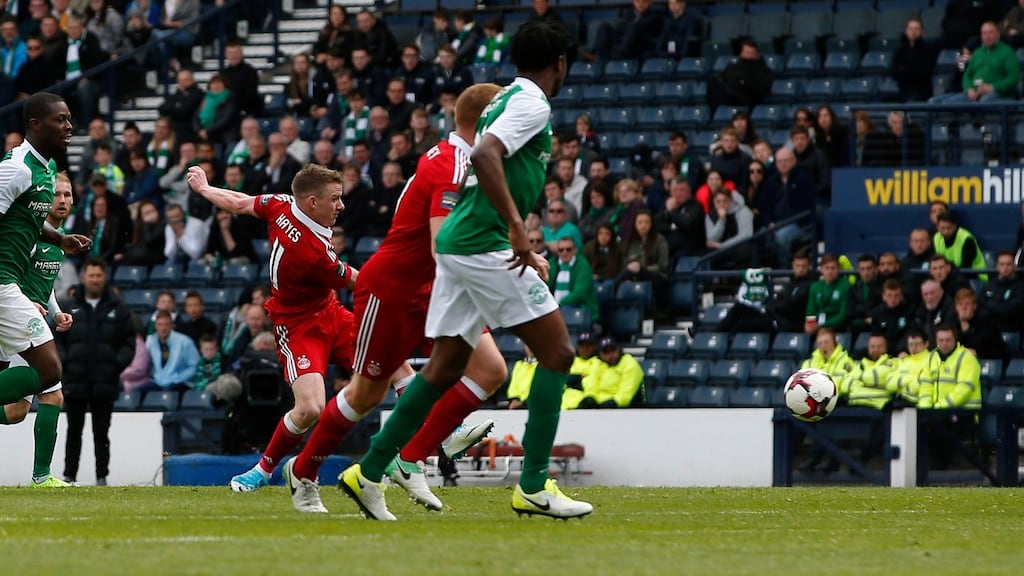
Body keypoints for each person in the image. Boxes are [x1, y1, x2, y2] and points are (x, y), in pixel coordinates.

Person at [339, 20, 593, 521]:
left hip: (458, 242)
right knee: (559, 352)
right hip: (483, 243)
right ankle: (535, 486)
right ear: (560, 63)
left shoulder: (501, 99)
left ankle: (367, 471)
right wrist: (519, 227)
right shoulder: (531, 103)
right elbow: (484, 152)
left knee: (445, 367)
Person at [285, 84, 510, 513]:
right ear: (486, 120)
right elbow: (441, 243)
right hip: (393, 289)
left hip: (436, 287)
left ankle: (407, 459)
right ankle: (304, 470)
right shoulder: (453, 162)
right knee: (366, 395)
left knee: (490, 369)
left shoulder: (470, 160)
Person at [186, 163, 366, 507]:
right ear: (312, 202)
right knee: (311, 407)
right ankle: (265, 469)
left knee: (387, 356)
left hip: (330, 311)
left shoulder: (282, 204)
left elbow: (240, 203)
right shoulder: (312, 251)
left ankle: (440, 435)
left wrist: (206, 189)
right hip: (298, 324)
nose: (342, 205)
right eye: (335, 199)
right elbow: (358, 280)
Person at [0, 93, 91, 414]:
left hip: (8, 283)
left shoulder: (48, 168)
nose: (69, 126)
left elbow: (26, 219)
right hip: (2, 284)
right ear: (35, 125)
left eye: (69, 119)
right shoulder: (16, 169)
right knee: (48, 371)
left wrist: (60, 239)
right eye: (60, 120)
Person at [0, 172, 74, 487]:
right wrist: (27, 302)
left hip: (25, 318)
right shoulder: (29, 233)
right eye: (57, 194)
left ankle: (41, 476)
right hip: (16, 319)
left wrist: (56, 312)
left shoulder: (58, 238)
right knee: (53, 391)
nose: (62, 200)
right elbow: (10, 270)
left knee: (16, 411)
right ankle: (41, 477)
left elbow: (47, 284)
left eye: (68, 195)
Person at [57, 257, 136, 486]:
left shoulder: (119, 309)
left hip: (105, 381)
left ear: (104, 277)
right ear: (83, 277)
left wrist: (115, 364)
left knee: (101, 434)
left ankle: (102, 477)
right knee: (74, 432)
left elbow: (129, 342)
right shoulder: (68, 304)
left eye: (98, 275)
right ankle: (69, 476)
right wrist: (66, 362)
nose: (94, 279)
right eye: (91, 275)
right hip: (75, 380)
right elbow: (57, 337)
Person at [934, 21, 1019, 102]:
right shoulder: (977, 53)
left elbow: (1013, 78)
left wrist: (992, 87)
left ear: (998, 34)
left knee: (985, 101)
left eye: (990, 32)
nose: (987, 36)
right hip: (974, 93)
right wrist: (969, 89)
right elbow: (967, 76)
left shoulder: (1008, 52)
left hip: (998, 93)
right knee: (938, 102)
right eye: (984, 33)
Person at [916, 323, 982, 410]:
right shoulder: (931, 357)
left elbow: (964, 389)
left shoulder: (967, 358)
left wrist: (939, 408)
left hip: (964, 414)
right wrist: (925, 409)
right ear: (936, 340)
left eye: (948, 340)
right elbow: (926, 386)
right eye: (941, 340)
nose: (944, 343)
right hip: (937, 414)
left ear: (955, 339)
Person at [570, 337, 643, 409]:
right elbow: (592, 386)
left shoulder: (630, 364)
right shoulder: (599, 363)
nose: (611, 355)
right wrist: (590, 397)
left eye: (613, 350)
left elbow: (625, 396)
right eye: (606, 352)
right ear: (601, 354)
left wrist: (613, 403)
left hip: (621, 408)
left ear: (619, 349)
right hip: (598, 406)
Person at [707, 39, 773, 113]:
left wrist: (741, 82)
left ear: (757, 55)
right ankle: (716, 113)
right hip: (729, 95)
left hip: (748, 97)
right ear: (741, 53)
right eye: (746, 52)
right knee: (714, 82)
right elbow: (724, 77)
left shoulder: (763, 70)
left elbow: (761, 88)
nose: (748, 55)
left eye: (751, 53)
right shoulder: (732, 66)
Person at [548, 237, 598, 325]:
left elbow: (579, 293)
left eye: (568, 249)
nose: (564, 253)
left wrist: (559, 306)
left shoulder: (582, 265)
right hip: (555, 309)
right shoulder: (552, 263)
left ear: (575, 250)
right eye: (561, 250)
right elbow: (546, 285)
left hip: (579, 307)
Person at [953, 288, 1009, 361]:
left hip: (990, 358)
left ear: (974, 306)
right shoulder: (952, 321)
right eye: (960, 304)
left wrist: (966, 328)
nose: (963, 307)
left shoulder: (985, 320)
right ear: (956, 307)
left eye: (967, 304)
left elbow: (980, 345)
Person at [846, 333, 898, 410]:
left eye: (880, 346)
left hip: (879, 408)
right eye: (872, 346)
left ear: (886, 348)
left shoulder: (894, 363)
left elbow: (885, 379)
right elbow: (847, 384)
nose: (875, 349)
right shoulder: (860, 364)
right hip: (855, 405)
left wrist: (861, 379)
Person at [892, 18, 938, 102]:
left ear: (922, 31)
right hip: (903, 90)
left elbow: (925, 72)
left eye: (916, 29)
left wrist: (905, 70)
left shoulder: (928, 49)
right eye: (910, 29)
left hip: (921, 91)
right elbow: (894, 73)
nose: (913, 32)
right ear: (906, 31)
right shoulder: (900, 50)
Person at [805, 254, 850, 334]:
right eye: (827, 268)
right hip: (817, 326)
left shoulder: (845, 286)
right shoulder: (815, 286)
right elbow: (810, 311)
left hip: (837, 327)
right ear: (821, 269)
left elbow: (843, 315)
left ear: (838, 269)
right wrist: (810, 324)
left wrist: (822, 325)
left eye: (833, 268)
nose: (830, 271)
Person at [867, 278, 914, 356]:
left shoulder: (909, 311)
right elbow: (876, 334)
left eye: (896, 295)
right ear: (884, 296)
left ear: (901, 296)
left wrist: (902, 349)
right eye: (889, 295)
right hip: (883, 350)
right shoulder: (877, 312)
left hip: (903, 350)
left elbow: (910, 333)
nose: (893, 299)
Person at [979, 250, 1024, 332]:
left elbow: (1010, 310)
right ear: (997, 266)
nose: (1005, 267)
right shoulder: (989, 285)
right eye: (1002, 264)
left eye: (1008, 264)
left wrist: (990, 304)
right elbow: (980, 305)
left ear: (1014, 266)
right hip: (989, 330)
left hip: (1011, 329)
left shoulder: (1020, 287)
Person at [933, 212, 986, 279]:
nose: (946, 231)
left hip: (975, 276)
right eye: (943, 228)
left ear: (955, 226)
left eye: (949, 228)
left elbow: (966, 268)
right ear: (937, 227)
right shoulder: (936, 238)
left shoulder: (966, 239)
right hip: (948, 274)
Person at [915, 279, 957, 344]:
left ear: (941, 292)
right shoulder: (921, 309)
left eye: (932, 293)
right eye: (925, 294)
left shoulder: (950, 308)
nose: (929, 297)